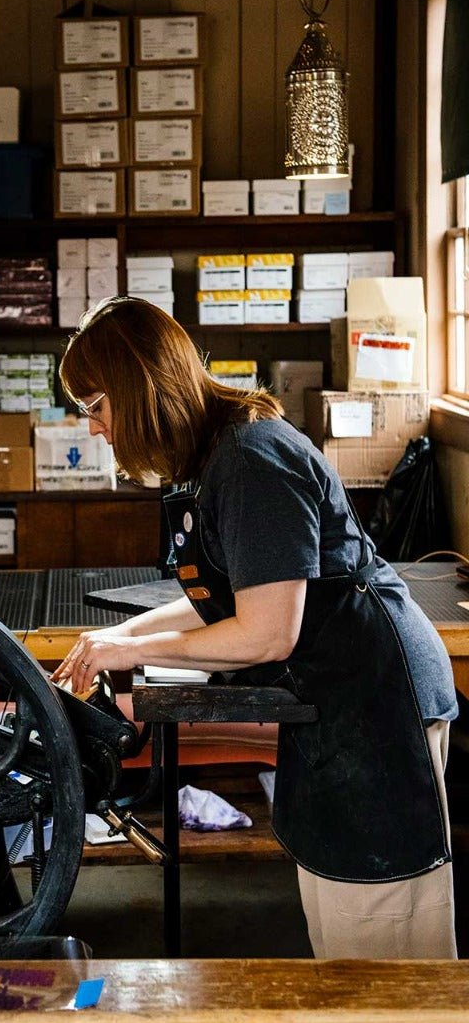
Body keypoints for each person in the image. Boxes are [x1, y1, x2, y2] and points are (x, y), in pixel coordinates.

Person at [52, 295, 458, 960]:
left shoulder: (249, 462)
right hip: (333, 700)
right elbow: (228, 599)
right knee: (342, 929)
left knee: (385, 938)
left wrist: (130, 646)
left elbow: (264, 633)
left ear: (134, 388)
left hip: (379, 702)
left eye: (94, 406)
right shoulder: (214, 456)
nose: (94, 428)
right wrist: (109, 645)